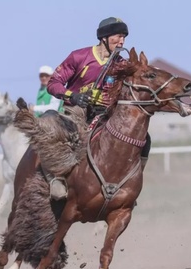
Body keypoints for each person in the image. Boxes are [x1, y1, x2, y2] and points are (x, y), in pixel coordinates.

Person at [46, 17, 152, 199]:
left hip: (106, 113)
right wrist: (74, 96)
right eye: (118, 37)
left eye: (124, 38)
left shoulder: (122, 64)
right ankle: (57, 178)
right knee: (67, 137)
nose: (122, 42)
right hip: (76, 110)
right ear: (104, 37)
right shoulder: (78, 57)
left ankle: (132, 180)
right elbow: (53, 83)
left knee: (144, 139)